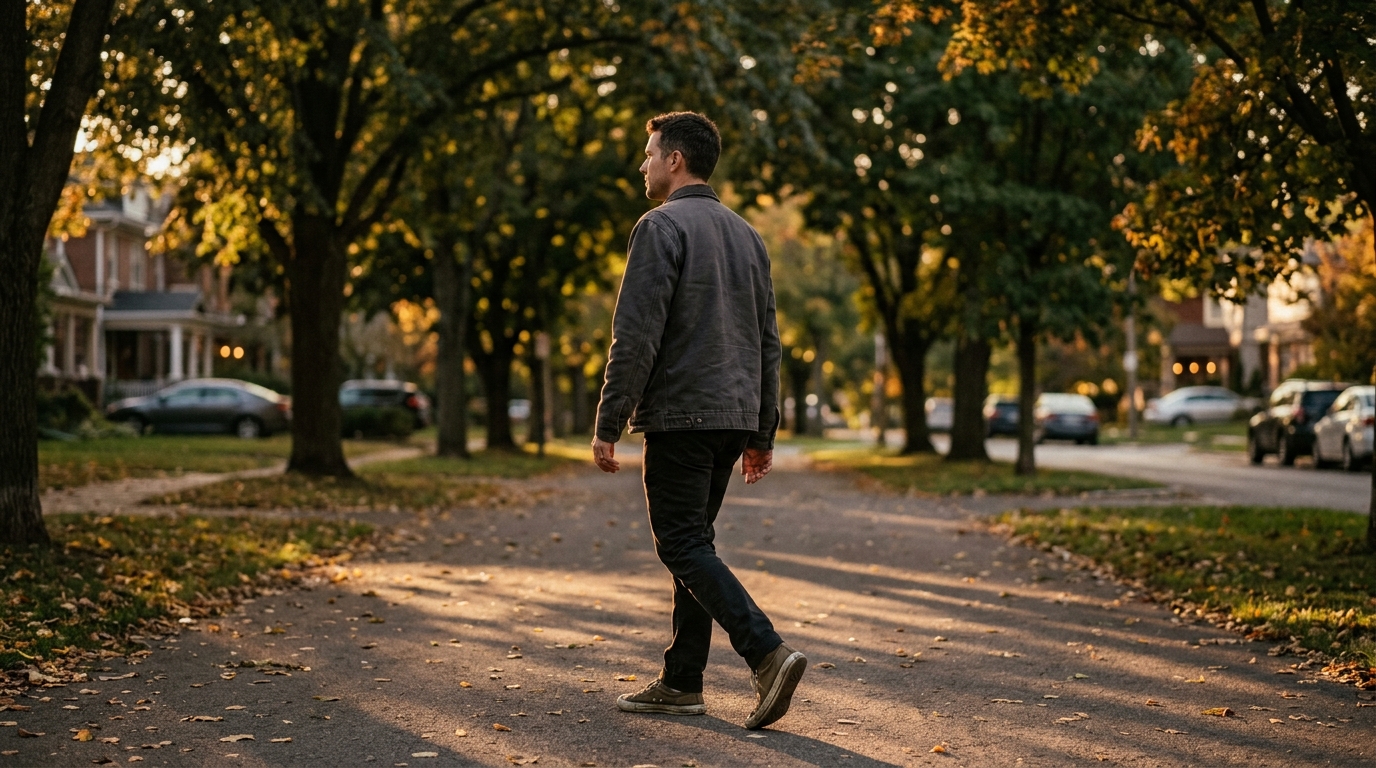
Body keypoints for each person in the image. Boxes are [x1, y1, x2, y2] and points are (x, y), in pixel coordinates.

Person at [591, 111, 805, 731]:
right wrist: (762, 432)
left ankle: (766, 653)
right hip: (733, 417)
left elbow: (634, 333)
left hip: (683, 415)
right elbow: (769, 342)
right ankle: (683, 681)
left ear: (675, 159)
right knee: (696, 547)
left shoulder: (659, 228)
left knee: (681, 544)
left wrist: (609, 419)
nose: (644, 165)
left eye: (649, 153)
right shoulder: (748, 235)